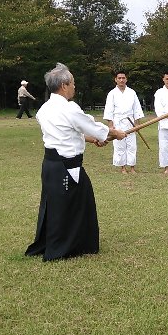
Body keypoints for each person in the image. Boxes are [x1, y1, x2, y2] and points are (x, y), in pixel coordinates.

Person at [25, 62, 126, 261]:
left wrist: (93, 139)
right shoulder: (69, 108)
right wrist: (114, 133)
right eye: (72, 83)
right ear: (63, 86)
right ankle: (64, 247)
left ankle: (74, 242)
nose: (74, 86)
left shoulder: (44, 109)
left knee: (59, 204)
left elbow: (67, 133)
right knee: (69, 205)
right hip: (66, 167)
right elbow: (91, 126)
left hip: (51, 165)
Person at [103, 70, 145, 174]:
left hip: (130, 122)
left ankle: (132, 167)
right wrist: (111, 126)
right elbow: (109, 110)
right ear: (116, 80)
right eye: (119, 78)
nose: (121, 80)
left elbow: (136, 109)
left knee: (131, 146)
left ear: (126, 79)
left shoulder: (132, 92)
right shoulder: (112, 93)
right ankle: (123, 167)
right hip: (118, 122)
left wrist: (137, 123)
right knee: (119, 146)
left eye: (123, 78)